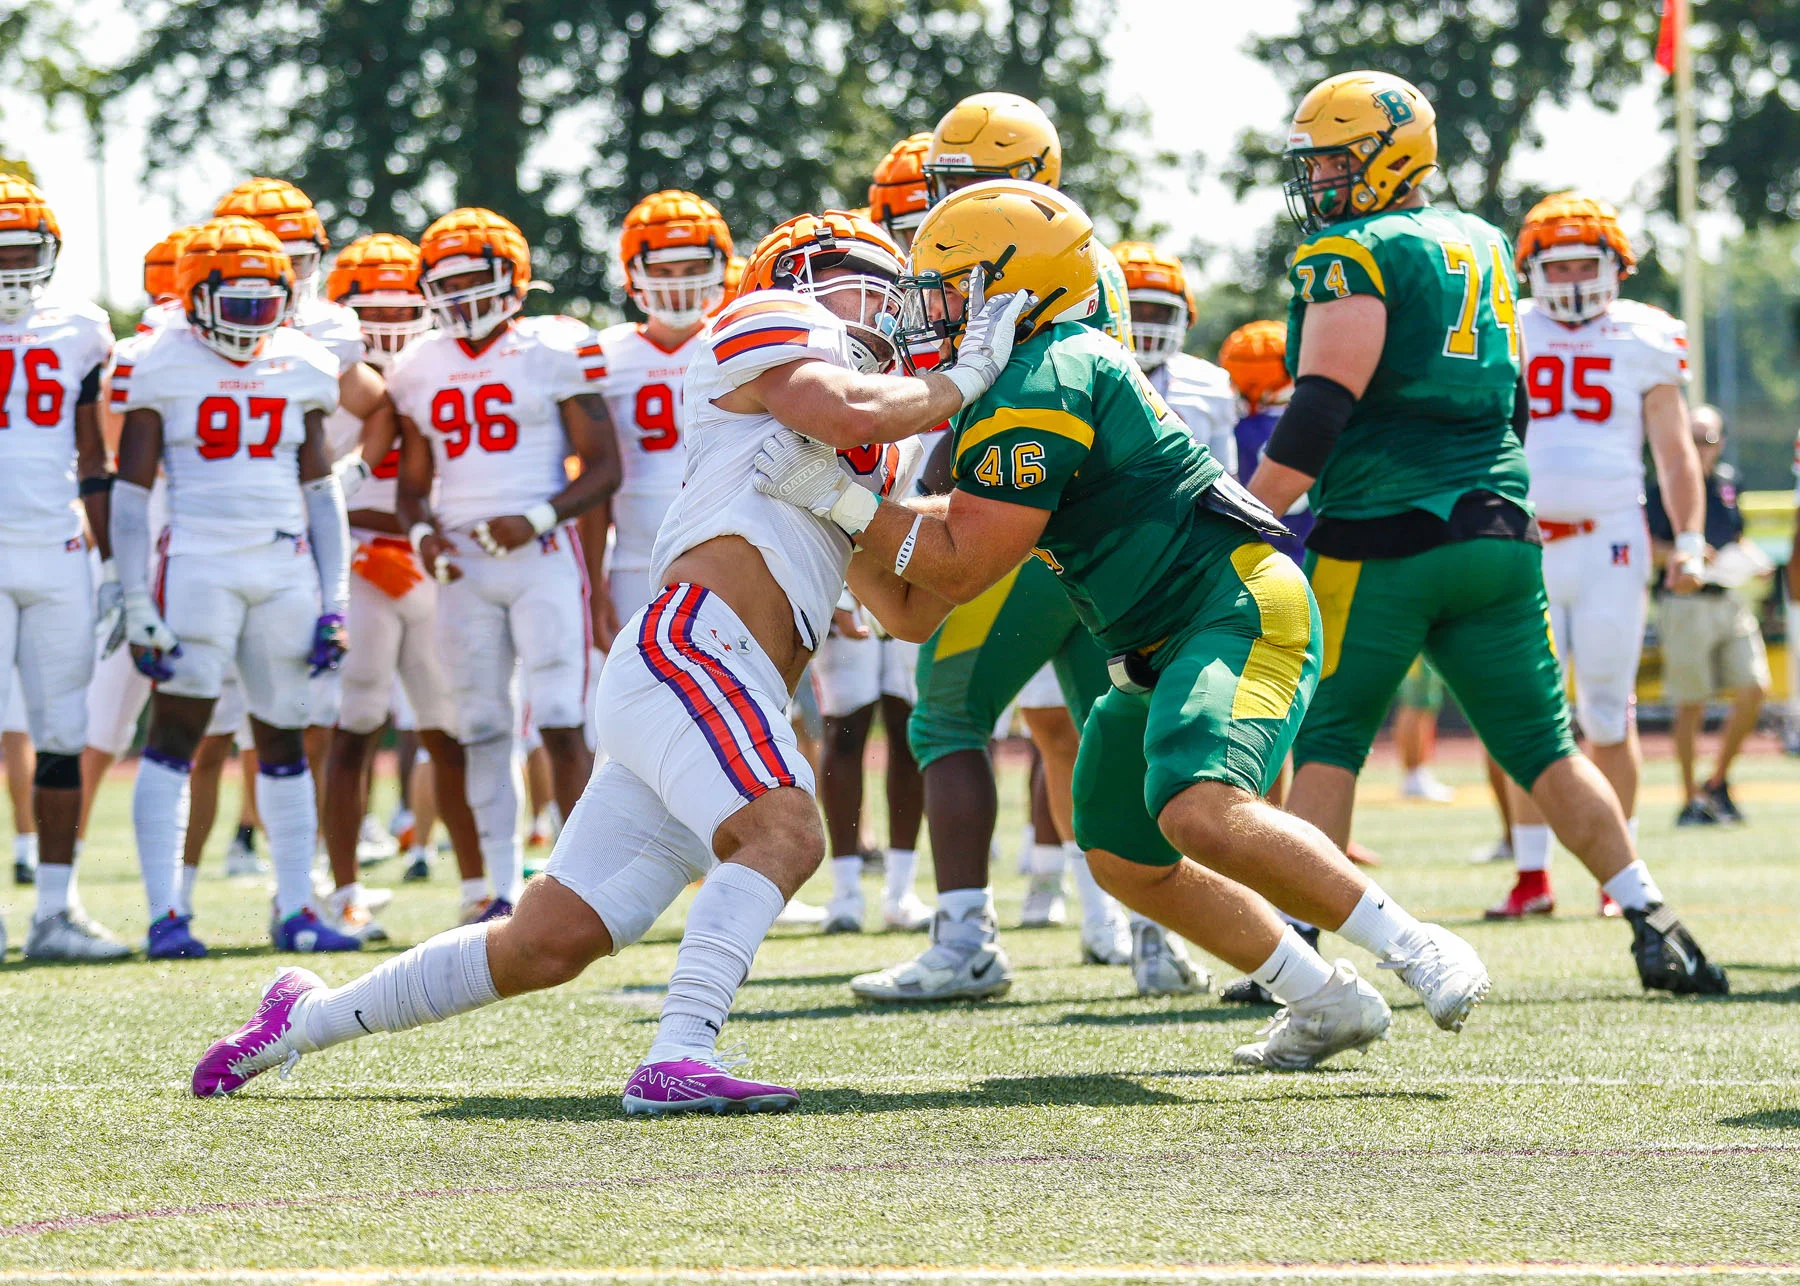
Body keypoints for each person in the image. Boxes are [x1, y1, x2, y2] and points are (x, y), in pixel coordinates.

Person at [190, 209, 1003, 1113]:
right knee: (785, 832)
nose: (895, 310)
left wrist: (1013, 515)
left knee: (546, 942)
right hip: (694, 648)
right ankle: (677, 1055)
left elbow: (910, 608)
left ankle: (298, 1022)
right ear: (804, 276)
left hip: (716, 683)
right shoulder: (768, 324)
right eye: (878, 284)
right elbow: (830, 404)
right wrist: (962, 380)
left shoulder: (869, 435)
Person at [758, 180, 1508, 1069]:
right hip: (1152, 644)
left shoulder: (1051, 372)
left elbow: (956, 560)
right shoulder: (1019, 382)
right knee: (1120, 852)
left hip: (1230, 606)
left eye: (951, 287)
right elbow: (918, 612)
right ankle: (1321, 1000)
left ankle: (1416, 943)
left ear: (1017, 291)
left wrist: (847, 504)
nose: (932, 311)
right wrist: (848, 530)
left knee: (1199, 809)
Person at [1244, 71, 1724, 994]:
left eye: (1340, 158)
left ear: (1393, 155)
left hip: (1383, 533)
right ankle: (1652, 917)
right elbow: (1514, 404)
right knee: (1544, 743)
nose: (1323, 179)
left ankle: (1295, 946)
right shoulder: (1485, 243)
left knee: (1334, 735)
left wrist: (1248, 503)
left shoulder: (1351, 252)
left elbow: (1319, 409)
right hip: (1500, 531)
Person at [861, 92, 1159, 1002]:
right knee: (1106, 732)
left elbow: (1001, 407)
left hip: (1018, 522)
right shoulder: (1083, 262)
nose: (957, 200)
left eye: (981, 182)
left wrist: (915, 501)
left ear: (1037, 184)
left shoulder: (1018, 272)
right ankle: (1154, 936)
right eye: (950, 181)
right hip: (1096, 537)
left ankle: (963, 940)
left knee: (947, 719)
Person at [112, 215, 360, 960]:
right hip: (197, 563)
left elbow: (322, 491)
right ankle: (166, 913)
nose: (255, 322)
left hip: (282, 567)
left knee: (284, 736)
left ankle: (295, 907)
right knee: (176, 733)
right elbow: (130, 495)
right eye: (239, 304)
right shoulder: (159, 361)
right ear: (195, 299)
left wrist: (334, 599)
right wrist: (134, 602)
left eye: (267, 303)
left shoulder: (304, 361)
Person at [388, 208, 619, 924]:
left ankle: (584, 885)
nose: (459, 298)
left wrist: (539, 517)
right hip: (463, 566)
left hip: (541, 553)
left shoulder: (554, 346)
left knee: (559, 715)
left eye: (474, 280)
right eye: (446, 284)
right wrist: (423, 531)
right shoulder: (417, 364)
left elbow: (606, 466)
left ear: (513, 281)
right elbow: (411, 483)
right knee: (482, 723)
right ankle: (493, 887)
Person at [1488, 193, 1706, 918]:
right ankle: (1530, 875)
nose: (1577, 275)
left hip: (1613, 537)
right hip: (1525, 540)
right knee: (1527, 713)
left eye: (1589, 261)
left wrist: (1694, 537)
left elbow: (1675, 456)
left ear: (1616, 265)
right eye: (1563, 262)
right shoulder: (1505, 328)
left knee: (1609, 713)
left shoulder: (1645, 334)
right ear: (1533, 268)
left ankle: (1621, 874)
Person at [213, 177, 399, 900]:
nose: (286, 274)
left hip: (300, 536)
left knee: (307, 704)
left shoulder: (325, 329)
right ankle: (206, 868)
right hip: (212, 536)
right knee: (205, 717)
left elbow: (379, 412)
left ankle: (308, 873)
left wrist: (349, 475)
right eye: (271, 255)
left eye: (297, 257)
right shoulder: (181, 332)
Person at [319, 232, 483, 937]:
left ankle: (480, 887)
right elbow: (315, 489)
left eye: (401, 311)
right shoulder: (326, 377)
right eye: (372, 313)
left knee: (452, 731)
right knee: (355, 726)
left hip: (430, 562)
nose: (388, 328)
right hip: (359, 561)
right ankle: (344, 888)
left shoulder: (433, 371)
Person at [0, 177, 128, 961]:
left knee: (62, 733)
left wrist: (115, 564)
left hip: (57, 551)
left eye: (23, 250)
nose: (12, 264)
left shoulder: (81, 328)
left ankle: (55, 909)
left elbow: (95, 453)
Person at [1650, 406, 1771, 826]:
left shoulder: (1728, 483)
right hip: (1685, 604)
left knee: (1755, 687)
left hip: (1728, 598)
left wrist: (1752, 560)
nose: (1703, 448)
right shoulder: (1665, 484)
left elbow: (1736, 537)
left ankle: (1717, 781)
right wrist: (1685, 553)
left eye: (1710, 440)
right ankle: (1688, 800)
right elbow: (1648, 546)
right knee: (1691, 704)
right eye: (1695, 439)